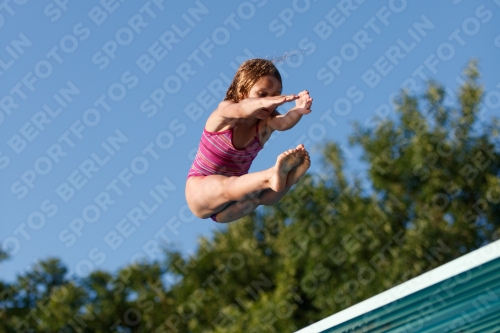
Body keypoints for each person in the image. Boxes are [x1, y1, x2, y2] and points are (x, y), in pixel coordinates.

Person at [185, 58, 312, 223]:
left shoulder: (266, 123)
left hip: (232, 204)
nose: (269, 101)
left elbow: (283, 123)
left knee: (262, 198)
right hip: (200, 190)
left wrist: (298, 110)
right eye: (262, 94)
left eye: (276, 96)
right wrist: (266, 101)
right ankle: (270, 175)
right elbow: (240, 109)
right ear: (242, 92)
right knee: (228, 186)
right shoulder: (225, 113)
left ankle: (288, 179)